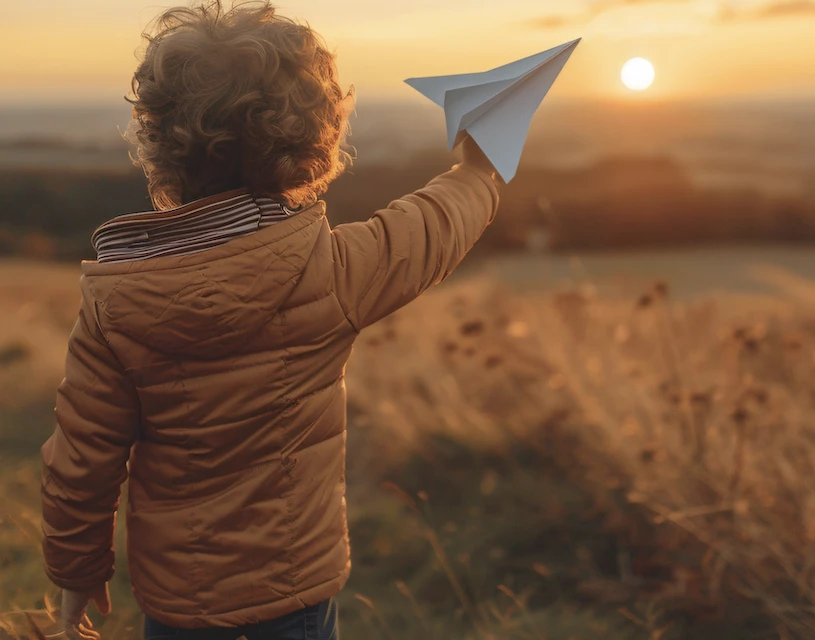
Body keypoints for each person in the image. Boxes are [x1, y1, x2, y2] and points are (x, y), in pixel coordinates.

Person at [39, 2, 499, 639]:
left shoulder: (115, 301)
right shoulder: (331, 270)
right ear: (312, 137)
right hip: (296, 600)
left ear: (159, 138)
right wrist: (483, 169)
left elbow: (81, 460)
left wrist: (76, 567)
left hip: (177, 608)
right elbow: (430, 227)